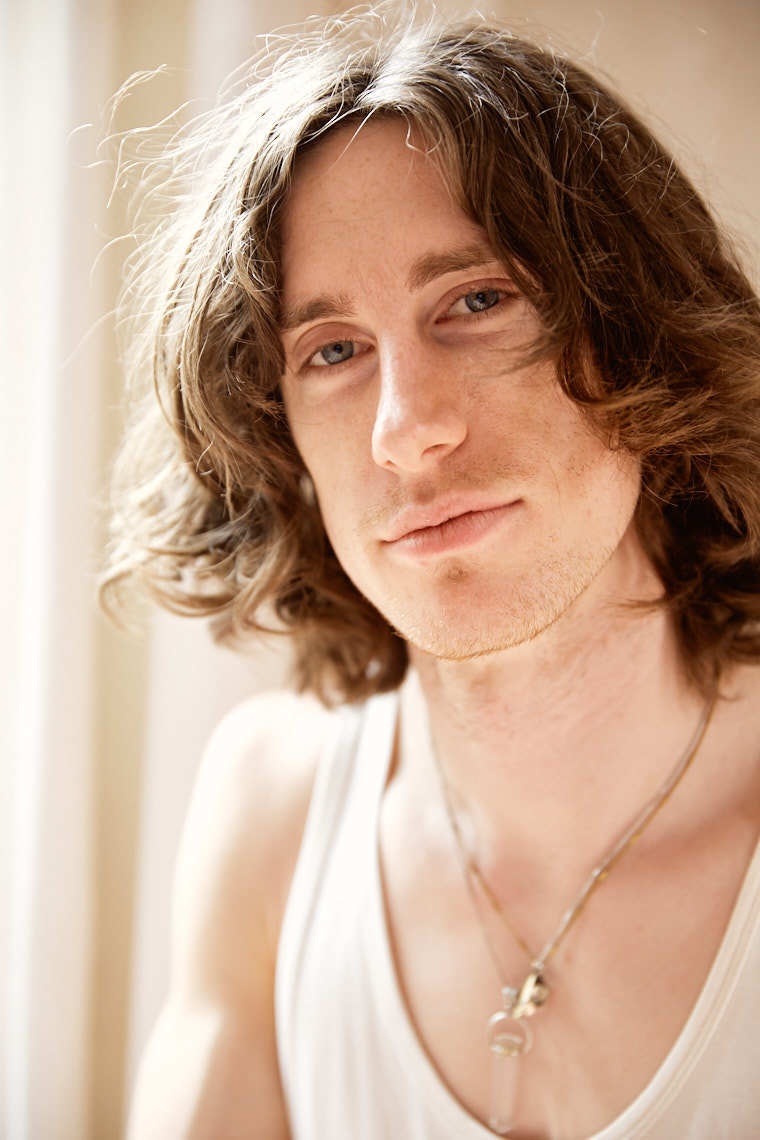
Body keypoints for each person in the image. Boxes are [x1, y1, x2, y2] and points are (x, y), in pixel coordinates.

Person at [105, 9, 760, 1139]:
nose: (404, 430)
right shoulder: (271, 817)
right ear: (281, 447)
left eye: (474, 301)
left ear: (640, 336)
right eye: (333, 352)